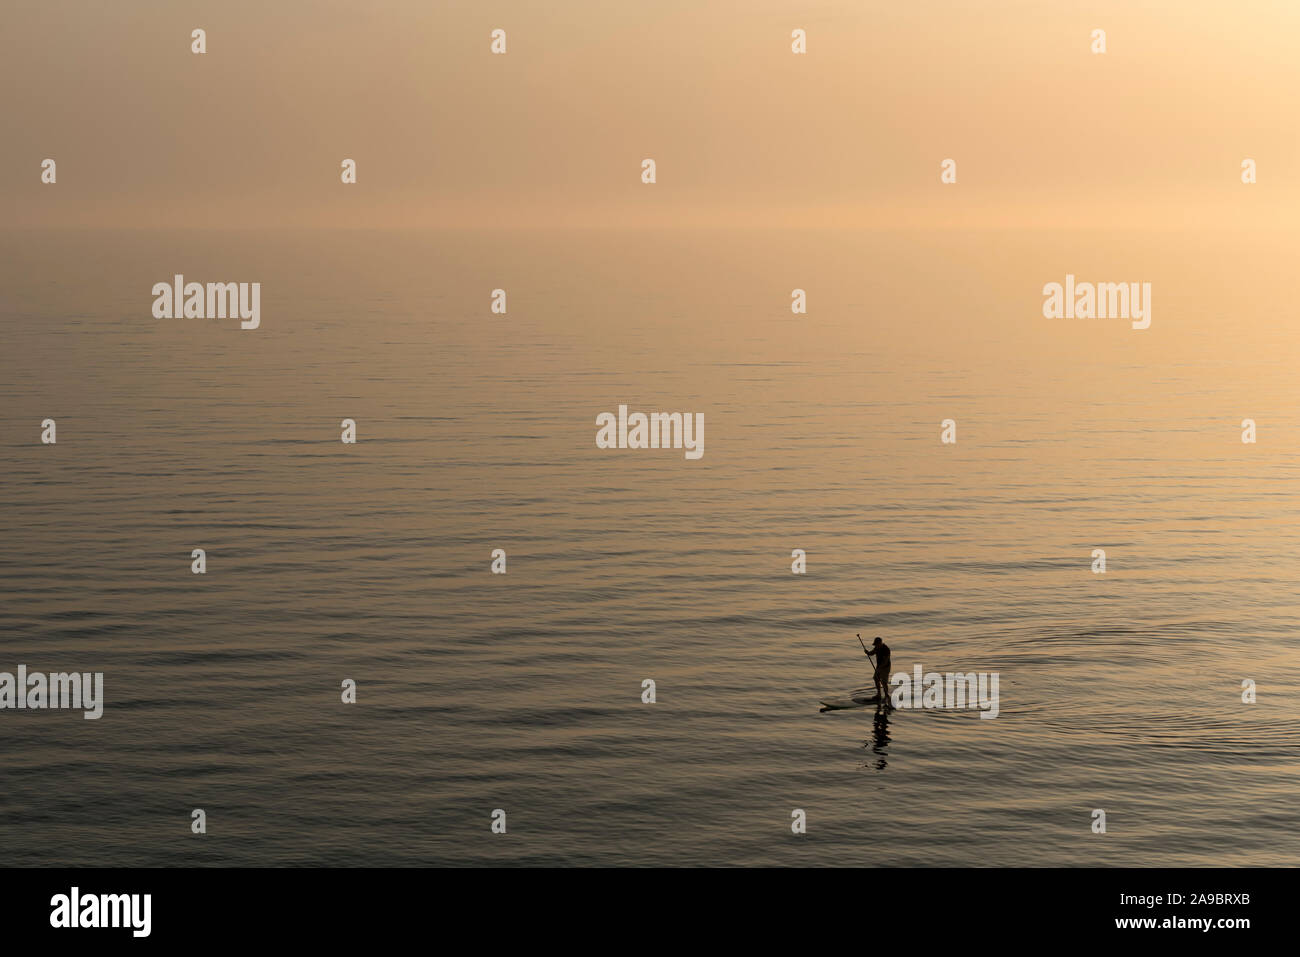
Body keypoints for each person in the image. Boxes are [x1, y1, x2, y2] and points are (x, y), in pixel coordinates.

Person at [859, 634, 891, 700]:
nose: (876, 646)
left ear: (880, 643)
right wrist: (868, 652)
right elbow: (872, 652)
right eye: (875, 645)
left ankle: (886, 696)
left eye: (877, 644)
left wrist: (880, 668)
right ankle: (879, 695)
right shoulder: (877, 648)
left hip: (885, 667)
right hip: (879, 666)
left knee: (884, 682)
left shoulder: (886, 649)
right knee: (876, 678)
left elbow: (885, 661)